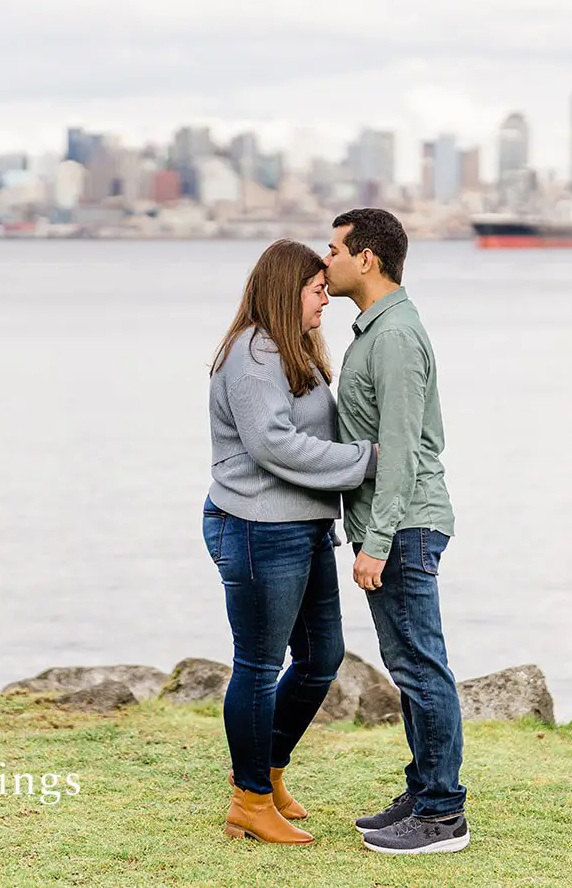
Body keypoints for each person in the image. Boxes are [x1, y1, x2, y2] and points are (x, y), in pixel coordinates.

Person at [204, 238, 378, 844]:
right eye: (316, 289)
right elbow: (273, 445)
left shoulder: (289, 350)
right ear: (286, 290)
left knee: (321, 657)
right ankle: (249, 801)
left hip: (301, 526)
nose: (325, 298)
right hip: (256, 527)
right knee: (257, 664)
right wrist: (368, 460)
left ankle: (265, 772)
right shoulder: (253, 355)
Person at [322, 208, 469, 855]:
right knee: (409, 667)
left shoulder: (395, 336)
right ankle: (422, 788)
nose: (324, 261)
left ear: (367, 259)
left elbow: (402, 449)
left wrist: (377, 541)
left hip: (403, 526)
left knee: (423, 668)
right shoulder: (375, 331)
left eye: (333, 249)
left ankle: (442, 815)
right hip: (390, 523)